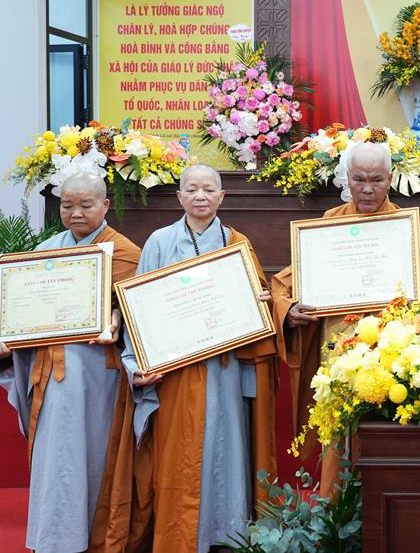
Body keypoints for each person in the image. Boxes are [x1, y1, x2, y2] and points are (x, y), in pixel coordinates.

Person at [269, 140, 420, 493]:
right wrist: (287, 309)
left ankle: (388, 508)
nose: (368, 189)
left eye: (377, 179)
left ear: (390, 179)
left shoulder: (404, 225)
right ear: (346, 179)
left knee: (386, 427)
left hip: (391, 346)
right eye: (359, 179)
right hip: (339, 346)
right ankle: (338, 511)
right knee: (340, 433)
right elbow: (291, 282)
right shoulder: (329, 222)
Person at [0, 172, 147, 552]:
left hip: (99, 379)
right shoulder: (46, 251)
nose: (76, 213)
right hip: (50, 378)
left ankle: (97, 542)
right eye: (68, 205)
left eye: (86, 205)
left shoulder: (125, 253)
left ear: (105, 206)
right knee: (56, 461)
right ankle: (55, 540)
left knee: (93, 462)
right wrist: (4, 344)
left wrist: (117, 319)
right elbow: (22, 315)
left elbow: (141, 313)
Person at [122, 163, 281, 552]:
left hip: (226, 367)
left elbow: (260, 301)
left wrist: (262, 304)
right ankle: (180, 534)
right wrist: (136, 363)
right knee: (180, 451)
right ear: (179, 197)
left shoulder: (237, 243)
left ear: (221, 197)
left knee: (227, 444)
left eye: (209, 189)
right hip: (178, 369)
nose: (200, 196)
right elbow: (138, 309)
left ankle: (228, 533)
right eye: (191, 189)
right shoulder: (159, 242)